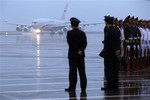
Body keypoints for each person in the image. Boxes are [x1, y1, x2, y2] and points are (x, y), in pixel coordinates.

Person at [65, 17, 87, 92]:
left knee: (72, 72)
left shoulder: (69, 33)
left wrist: (77, 50)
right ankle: (83, 88)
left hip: (73, 55)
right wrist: (81, 50)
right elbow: (85, 43)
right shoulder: (82, 33)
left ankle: (72, 87)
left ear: (71, 24)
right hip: (81, 55)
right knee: (82, 72)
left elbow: (70, 43)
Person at [101, 16, 120, 91]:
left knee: (109, 69)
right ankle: (115, 84)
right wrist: (117, 49)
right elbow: (117, 40)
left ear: (106, 22)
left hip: (109, 52)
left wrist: (115, 49)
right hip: (114, 52)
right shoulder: (116, 30)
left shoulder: (109, 31)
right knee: (115, 69)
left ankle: (110, 86)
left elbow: (110, 42)